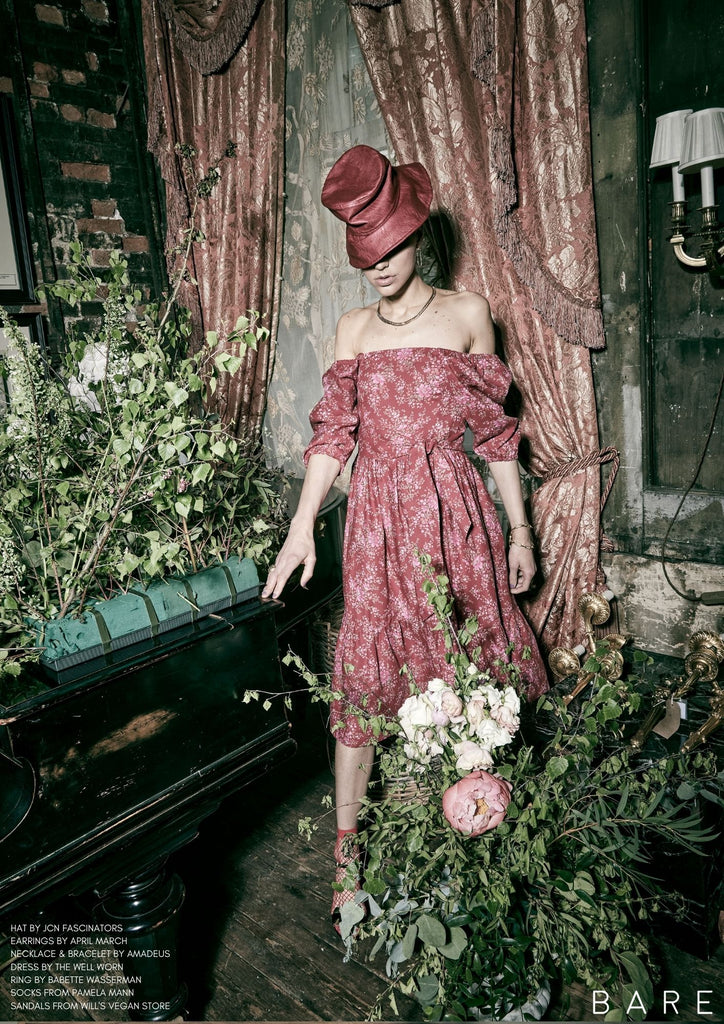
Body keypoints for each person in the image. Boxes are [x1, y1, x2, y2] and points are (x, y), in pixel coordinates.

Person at [262, 144, 548, 931]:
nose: (380, 264)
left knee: (467, 683)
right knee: (362, 680)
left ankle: (475, 846)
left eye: (392, 247)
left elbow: (496, 442)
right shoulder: (352, 329)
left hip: (456, 526)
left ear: (421, 235)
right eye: (366, 252)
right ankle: (348, 867)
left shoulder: (467, 314)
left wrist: (521, 533)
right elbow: (331, 439)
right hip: (377, 530)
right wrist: (300, 532)